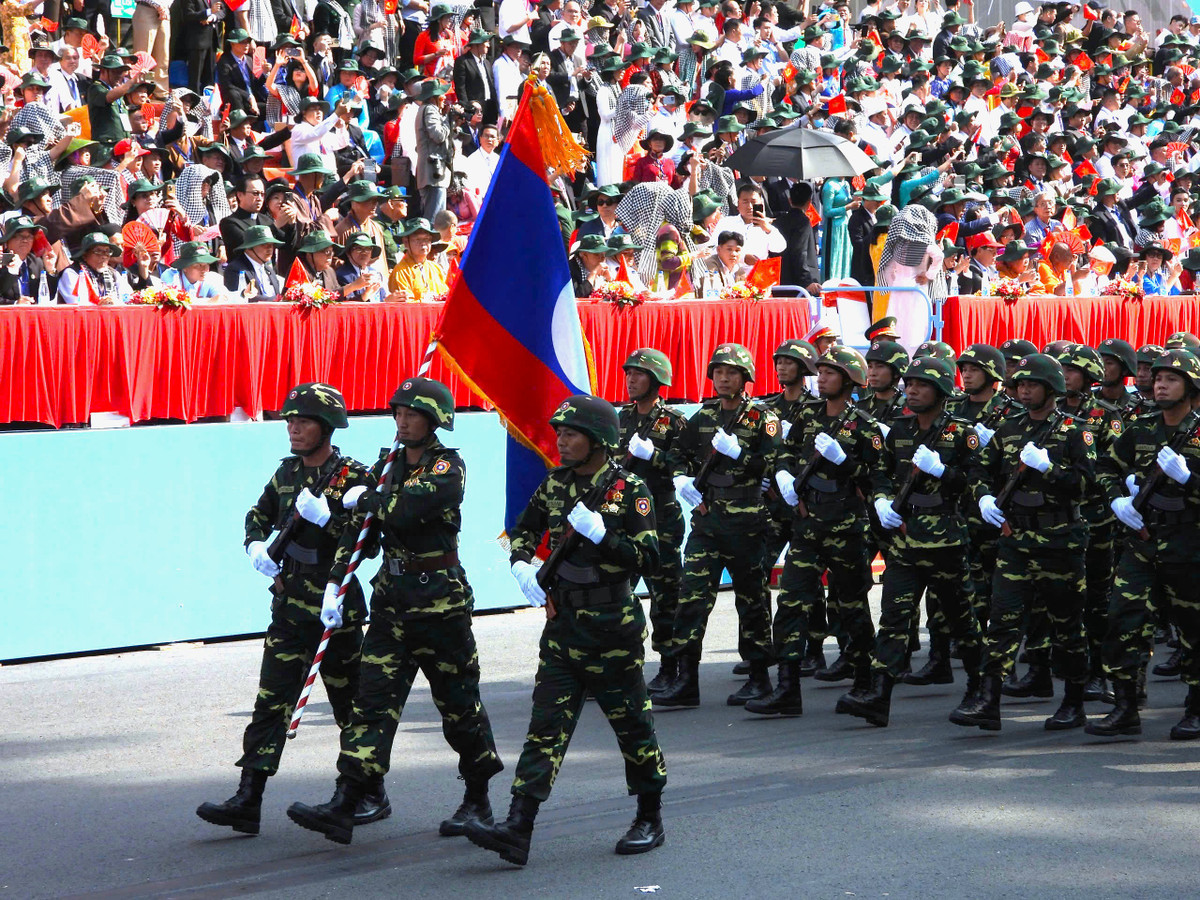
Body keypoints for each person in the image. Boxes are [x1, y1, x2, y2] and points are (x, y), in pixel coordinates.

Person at [287, 378, 504, 844]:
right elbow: (360, 532)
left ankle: (478, 798)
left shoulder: (448, 465)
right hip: (392, 601)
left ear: (434, 419)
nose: (402, 420)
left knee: (459, 707)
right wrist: (336, 580)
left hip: (439, 605)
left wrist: (364, 497)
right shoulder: (387, 466)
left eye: (412, 413)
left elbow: (404, 510)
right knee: (370, 704)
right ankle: (349, 797)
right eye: (398, 412)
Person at [468, 395, 665, 865]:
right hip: (564, 627)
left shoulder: (628, 488)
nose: (562, 441)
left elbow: (650, 559)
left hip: (612, 628)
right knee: (545, 728)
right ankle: (519, 825)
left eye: (571, 434)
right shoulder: (555, 485)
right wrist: (520, 564)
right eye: (560, 433)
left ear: (597, 440)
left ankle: (649, 815)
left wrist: (604, 536)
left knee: (631, 725)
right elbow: (522, 529)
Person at [196, 384, 378, 836]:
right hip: (291, 603)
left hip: (334, 608)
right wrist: (255, 545)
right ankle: (248, 797)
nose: (294, 428)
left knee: (349, 703)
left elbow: (369, 543)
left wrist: (328, 519)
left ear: (327, 427)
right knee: (271, 700)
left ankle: (366, 792)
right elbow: (258, 515)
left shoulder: (353, 476)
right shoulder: (287, 474)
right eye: (290, 421)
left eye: (304, 421)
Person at [838, 355, 984, 727]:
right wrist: (883, 501)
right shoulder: (900, 430)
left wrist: (944, 472)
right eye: (911, 384)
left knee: (962, 620)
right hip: (905, 540)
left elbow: (975, 484)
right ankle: (879, 694)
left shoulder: (961, 432)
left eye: (922, 385)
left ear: (941, 391)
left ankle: (981, 688)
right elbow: (881, 473)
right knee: (894, 617)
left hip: (946, 543)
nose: (912, 390)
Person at [953, 354, 1095, 733]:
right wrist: (984, 497)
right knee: (1002, 621)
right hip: (1015, 540)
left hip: (1059, 541)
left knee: (1066, 625)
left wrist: (1051, 468)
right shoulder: (1009, 429)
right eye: (1020, 384)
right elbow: (979, 468)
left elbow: (1086, 485)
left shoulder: (1073, 431)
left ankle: (1074, 701)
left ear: (1052, 389)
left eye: (1032, 384)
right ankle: (988, 699)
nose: (1024, 390)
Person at [748, 347, 882, 716]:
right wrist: (785, 476)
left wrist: (846, 462)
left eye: (830, 373)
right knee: (790, 601)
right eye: (819, 372)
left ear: (850, 380)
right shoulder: (806, 415)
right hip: (807, 523)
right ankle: (788, 688)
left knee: (852, 605)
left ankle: (866, 683)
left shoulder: (864, 425)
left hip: (846, 525)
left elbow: (877, 477)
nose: (820, 378)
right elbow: (783, 452)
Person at [654, 344, 780, 709]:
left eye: (731, 372)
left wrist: (741, 454)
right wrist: (681, 479)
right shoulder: (703, 416)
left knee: (751, 601)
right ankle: (685, 679)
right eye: (718, 372)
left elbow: (774, 464)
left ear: (745, 379)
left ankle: (759, 678)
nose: (723, 378)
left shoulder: (762, 418)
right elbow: (678, 453)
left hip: (747, 519)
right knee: (691, 598)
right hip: (708, 520)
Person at [1089, 349, 1200, 740]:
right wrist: (1117, 500)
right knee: (1123, 620)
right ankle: (1125, 705)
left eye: (1171, 379)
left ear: (1190, 386)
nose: (1160, 384)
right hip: (1142, 542)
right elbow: (1104, 468)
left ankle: (1196, 708)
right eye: (1158, 378)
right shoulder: (1140, 428)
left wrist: (1189, 480)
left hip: (1189, 546)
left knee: (1193, 629)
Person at [619, 349, 688, 693]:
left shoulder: (674, 421)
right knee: (617, 593)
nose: (631, 379)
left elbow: (685, 464)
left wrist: (656, 456)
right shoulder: (620, 417)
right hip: (625, 519)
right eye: (629, 373)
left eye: (639, 374)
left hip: (661, 516)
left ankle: (669, 665)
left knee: (665, 594)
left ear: (657, 380)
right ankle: (619, 666)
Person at [0, 216, 57, 305]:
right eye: (19, 236)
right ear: (7, 240)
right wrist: (15, 303)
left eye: (30, 236)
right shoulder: (1, 261)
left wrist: (50, 270)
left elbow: (49, 296)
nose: (25, 240)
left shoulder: (36, 262)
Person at [389, 218, 449, 301]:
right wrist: (426, 301)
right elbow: (404, 306)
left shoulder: (436, 268)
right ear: (406, 242)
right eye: (418, 239)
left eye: (427, 239)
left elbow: (445, 295)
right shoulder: (401, 271)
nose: (423, 243)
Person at [224, 225, 286, 300]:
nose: (269, 249)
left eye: (271, 245)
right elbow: (238, 300)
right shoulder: (235, 269)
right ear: (249, 248)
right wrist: (276, 300)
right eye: (264, 245)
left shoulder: (269, 270)